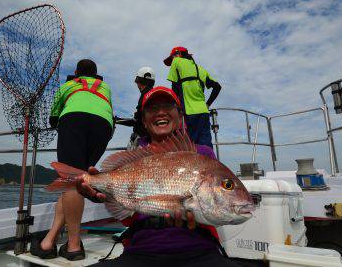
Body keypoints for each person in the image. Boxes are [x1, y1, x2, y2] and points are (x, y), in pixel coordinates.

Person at [78, 86, 240, 267]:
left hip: (199, 248)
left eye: (168, 106)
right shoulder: (134, 158)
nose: (161, 112)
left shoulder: (203, 154)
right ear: (144, 122)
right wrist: (105, 195)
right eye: (153, 109)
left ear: (180, 117)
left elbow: (215, 210)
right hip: (142, 249)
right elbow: (127, 217)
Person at [30, 59, 113, 261]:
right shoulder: (105, 87)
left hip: (74, 121)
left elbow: (54, 116)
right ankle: (48, 242)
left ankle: (74, 246)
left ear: (76, 72)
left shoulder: (68, 85)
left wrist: (56, 119)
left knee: (72, 180)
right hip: (104, 127)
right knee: (78, 180)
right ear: (96, 74)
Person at [163, 46, 221, 149]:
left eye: (172, 58)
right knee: (205, 148)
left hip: (187, 114)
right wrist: (207, 104)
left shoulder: (176, 62)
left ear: (178, 54)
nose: (172, 61)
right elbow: (217, 87)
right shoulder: (200, 69)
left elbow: (174, 91)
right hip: (203, 113)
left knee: (189, 148)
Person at [115, 66, 155, 148]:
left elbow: (137, 120)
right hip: (150, 138)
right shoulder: (152, 94)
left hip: (143, 140)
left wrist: (116, 120)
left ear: (140, 81)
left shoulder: (145, 95)